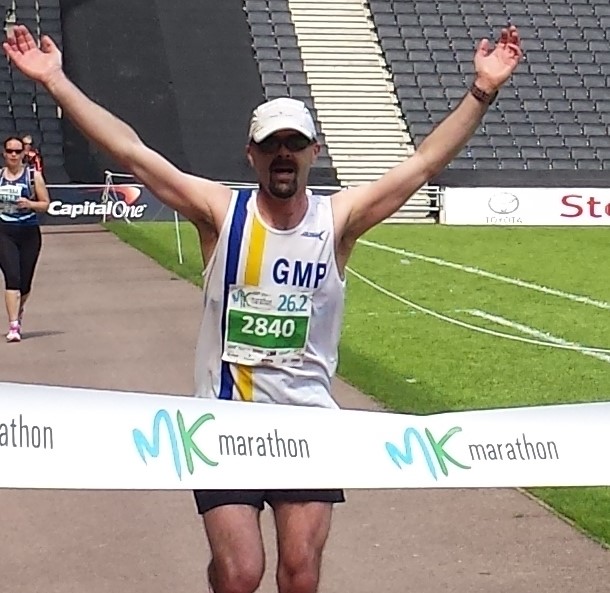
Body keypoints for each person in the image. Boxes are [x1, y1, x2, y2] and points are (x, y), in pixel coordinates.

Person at [3, 24, 522, 592]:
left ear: (312, 154)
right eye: (272, 144)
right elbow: (132, 151)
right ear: (251, 154)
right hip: (224, 423)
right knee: (240, 573)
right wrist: (55, 81)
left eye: (295, 144)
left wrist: (481, 91)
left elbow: (421, 166)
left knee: (299, 577)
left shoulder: (337, 220)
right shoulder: (221, 213)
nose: (283, 154)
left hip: (307, 424)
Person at [0, 135, 50, 342]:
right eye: (9, 151)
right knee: (12, 277)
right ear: (4, 153)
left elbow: (45, 204)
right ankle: (13, 325)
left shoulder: (33, 176)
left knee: (25, 282)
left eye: (17, 151)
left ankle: (18, 311)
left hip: (29, 232)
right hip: (4, 231)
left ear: (23, 154)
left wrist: (30, 204)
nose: (13, 155)